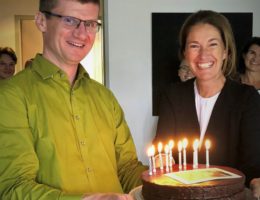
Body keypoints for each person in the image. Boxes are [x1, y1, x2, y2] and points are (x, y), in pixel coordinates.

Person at [0, 0, 146, 199]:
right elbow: (13, 188)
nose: (82, 33)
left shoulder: (104, 97)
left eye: (91, 24)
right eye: (70, 20)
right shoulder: (10, 97)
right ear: (41, 21)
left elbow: (127, 168)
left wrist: (164, 184)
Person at [154, 10, 260, 198]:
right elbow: (163, 150)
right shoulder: (173, 95)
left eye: (213, 44)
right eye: (194, 46)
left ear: (226, 51)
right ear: (185, 53)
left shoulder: (247, 98)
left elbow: (253, 163)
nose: (203, 55)